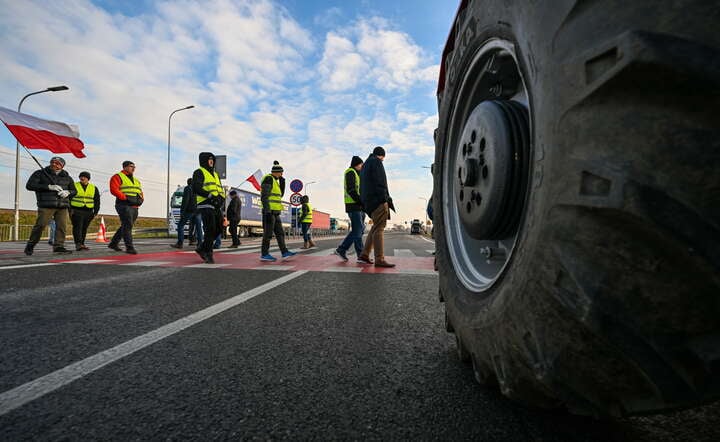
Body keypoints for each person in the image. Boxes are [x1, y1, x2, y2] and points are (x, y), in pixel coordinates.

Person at [24, 156, 76, 255]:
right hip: (46, 204)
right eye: (52, 162)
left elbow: (74, 191)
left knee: (62, 227)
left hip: (62, 206)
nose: (53, 164)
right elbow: (30, 185)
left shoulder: (67, 177)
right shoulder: (40, 173)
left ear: (62, 166)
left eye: (57, 163)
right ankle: (31, 244)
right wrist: (48, 187)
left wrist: (68, 192)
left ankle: (59, 246)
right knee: (40, 225)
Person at [359, 146, 395, 267]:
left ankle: (364, 254)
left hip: (368, 203)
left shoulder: (364, 166)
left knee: (375, 227)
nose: (382, 161)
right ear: (381, 156)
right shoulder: (376, 162)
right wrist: (384, 199)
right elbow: (381, 182)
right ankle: (379, 259)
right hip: (378, 201)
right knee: (379, 228)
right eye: (383, 159)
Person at [260, 161, 296, 261]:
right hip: (269, 212)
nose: (282, 174)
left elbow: (280, 195)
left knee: (280, 233)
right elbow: (264, 196)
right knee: (268, 234)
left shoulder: (275, 181)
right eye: (281, 172)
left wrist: (282, 182)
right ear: (276, 172)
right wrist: (267, 211)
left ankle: (284, 252)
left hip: (276, 212)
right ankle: (264, 254)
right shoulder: (268, 179)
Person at [192, 152, 224, 264]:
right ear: (204, 161)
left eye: (212, 160)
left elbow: (220, 189)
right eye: (209, 159)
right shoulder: (199, 172)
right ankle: (208, 254)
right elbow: (196, 187)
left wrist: (221, 199)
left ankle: (202, 248)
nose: (211, 161)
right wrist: (210, 196)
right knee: (210, 229)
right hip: (205, 204)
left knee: (220, 228)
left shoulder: (216, 174)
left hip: (215, 205)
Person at [108, 160, 143, 254]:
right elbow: (113, 190)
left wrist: (141, 199)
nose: (134, 168)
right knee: (127, 225)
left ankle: (113, 243)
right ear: (125, 167)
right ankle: (129, 247)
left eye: (134, 166)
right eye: (132, 166)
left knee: (126, 225)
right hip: (123, 205)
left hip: (135, 206)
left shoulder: (136, 180)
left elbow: (140, 191)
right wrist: (125, 198)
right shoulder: (117, 176)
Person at [334, 156, 365, 261]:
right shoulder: (350, 172)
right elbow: (351, 190)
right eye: (361, 164)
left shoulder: (357, 174)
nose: (362, 166)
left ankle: (345, 250)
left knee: (359, 231)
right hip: (353, 206)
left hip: (359, 207)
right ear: (357, 164)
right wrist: (361, 201)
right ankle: (357, 254)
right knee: (358, 231)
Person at [70, 171, 100, 250]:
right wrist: (70, 210)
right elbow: (68, 198)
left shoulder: (93, 188)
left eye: (85, 177)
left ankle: (82, 244)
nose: (82, 178)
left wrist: (95, 212)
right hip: (76, 210)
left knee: (84, 228)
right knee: (77, 227)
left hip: (89, 211)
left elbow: (97, 200)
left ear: (88, 179)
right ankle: (78, 244)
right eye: (81, 177)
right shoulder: (74, 186)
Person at [171, 178, 203, 248]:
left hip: (190, 211)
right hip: (198, 211)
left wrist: (182, 211)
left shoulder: (188, 188)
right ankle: (200, 243)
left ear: (188, 183)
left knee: (180, 225)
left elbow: (185, 200)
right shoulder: (198, 190)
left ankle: (180, 243)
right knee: (198, 227)